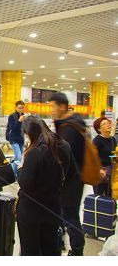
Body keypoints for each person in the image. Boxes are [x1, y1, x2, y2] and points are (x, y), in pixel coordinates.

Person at [16, 116, 73, 256]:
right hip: (53, 207)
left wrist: (21, 168)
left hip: (31, 209)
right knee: (51, 249)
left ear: (30, 133)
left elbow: (26, 183)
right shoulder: (64, 146)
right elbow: (68, 174)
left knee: (30, 250)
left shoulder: (34, 152)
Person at [49, 92, 85, 256]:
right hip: (75, 177)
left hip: (70, 180)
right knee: (65, 213)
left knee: (70, 215)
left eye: (52, 107)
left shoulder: (68, 128)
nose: (51, 110)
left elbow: (64, 157)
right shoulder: (73, 123)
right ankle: (60, 243)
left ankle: (77, 251)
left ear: (62, 106)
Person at [92, 117, 117, 196]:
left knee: (110, 198)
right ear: (99, 129)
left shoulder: (113, 140)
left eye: (108, 123)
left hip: (111, 173)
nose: (108, 125)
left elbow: (114, 154)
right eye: (105, 123)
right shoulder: (97, 140)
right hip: (100, 174)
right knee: (99, 199)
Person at [6, 101, 25, 176]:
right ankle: (14, 176)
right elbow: (13, 128)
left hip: (21, 139)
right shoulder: (12, 116)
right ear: (16, 107)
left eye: (22, 108)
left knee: (19, 158)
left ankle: (14, 172)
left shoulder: (23, 116)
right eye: (19, 108)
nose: (21, 109)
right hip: (13, 138)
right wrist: (19, 121)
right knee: (18, 157)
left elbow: (23, 129)